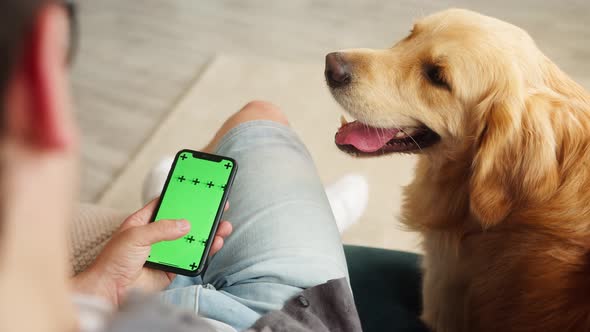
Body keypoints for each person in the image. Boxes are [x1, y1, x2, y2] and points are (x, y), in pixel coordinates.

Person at [0, 1, 364, 331]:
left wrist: (99, 286)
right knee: (260, 118)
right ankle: (320, 217)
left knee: (249, 133)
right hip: (279, 313)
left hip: (144, 296)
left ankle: (305, 216)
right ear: (38, 80)